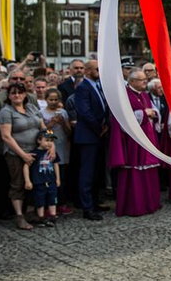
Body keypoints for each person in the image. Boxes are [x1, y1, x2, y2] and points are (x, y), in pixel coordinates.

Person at [108, 69, 162, 217]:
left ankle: (150, 203)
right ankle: (135, 206)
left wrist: (153, 113)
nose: (145, 81)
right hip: (133, 141)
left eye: (145, 79)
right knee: (135, 171)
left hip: (147, 137)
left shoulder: (144, 94)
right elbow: (123, 118)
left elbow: (154, 110)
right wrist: (146, 113)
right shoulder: (124, 95)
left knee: (148, 171)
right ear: (131, 82)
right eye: (141, 79)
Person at [0, 82, 48, 230]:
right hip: (16, 154)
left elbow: (44, 128)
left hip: (36, 152)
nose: (17, 95)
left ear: (25, 94)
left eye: (20, 92)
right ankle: (19, 216)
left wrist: (51, 145)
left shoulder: (32, 108)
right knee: (18, 183)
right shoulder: (6, 112)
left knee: (36, 182)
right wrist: (23, 155)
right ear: (9, 96)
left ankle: (31, 212)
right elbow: (6, 137)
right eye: (13, 93)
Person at [73, 59, 109, 221]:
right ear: (87, 71)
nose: (99, 72)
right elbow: (85, 112)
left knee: (97, 172)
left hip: (99, 134)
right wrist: (99, 128)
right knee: (87, 173)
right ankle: (87, 207)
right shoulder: (82, 88)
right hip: (88, 136)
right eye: (96, 69)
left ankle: (95, 201)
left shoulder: (98, 86)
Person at [41, 88, 74, 214]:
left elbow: (69, 132)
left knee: (62, 177)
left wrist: (63, 123)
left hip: (62, 146)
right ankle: (49, 204)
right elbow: (44, 132)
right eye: (51, 99)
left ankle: (62, 202)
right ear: (46, 100)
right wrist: (51, 125)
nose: (53, 102)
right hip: (49, 146)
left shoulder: (63, 112)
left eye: (56, 100)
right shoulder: (42, 113)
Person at [23, 130, 60, 227]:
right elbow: (26, 166)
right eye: (46, 140)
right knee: (40, 200)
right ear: (39, 140)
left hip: (51, 180)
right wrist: (27, 180)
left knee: (53, 199)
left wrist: (58, 179)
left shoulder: (52, 153)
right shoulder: (34, 153)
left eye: (51, 141)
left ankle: (52, 216)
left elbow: (56, 165)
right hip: (39, 182)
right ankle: (41, 218)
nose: (49, 143)